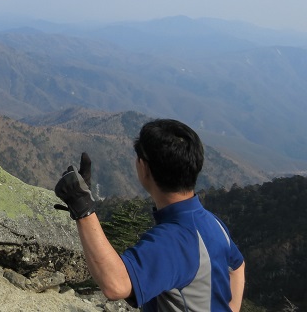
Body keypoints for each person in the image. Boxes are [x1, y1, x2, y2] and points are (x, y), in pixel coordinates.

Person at [54, 118, 245, 312]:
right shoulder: (212, 223)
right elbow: (238, 267)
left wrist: (82, 206)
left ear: (143, 167)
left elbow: (116, 285)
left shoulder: (175, 239)